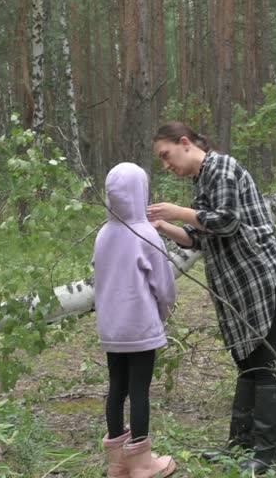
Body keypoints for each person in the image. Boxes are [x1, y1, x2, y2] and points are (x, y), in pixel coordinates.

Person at [147, 122, 276, 473]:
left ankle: (267, 455)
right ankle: (240, 447)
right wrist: (166, 226)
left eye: (166, 155)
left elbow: (225, 222)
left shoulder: (222, 167)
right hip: (241, 286)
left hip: (262, 280)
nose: (166, 165)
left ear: (185, 143)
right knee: (247, 364)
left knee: (265, 368)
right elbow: (200, 237)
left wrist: (176, 211)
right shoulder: (202, 179)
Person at [94, 162, 177, 478]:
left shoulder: (103, 233)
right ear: (140, 192)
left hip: (111, 329)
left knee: (117, 387)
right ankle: (142, 463)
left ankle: (117, 462)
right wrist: (165, 312)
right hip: (141, 327)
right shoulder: (145, 233)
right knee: (140, 388)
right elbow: (164, 285)